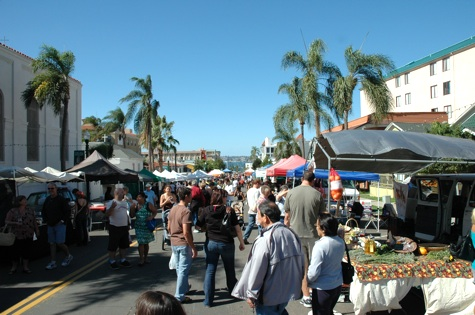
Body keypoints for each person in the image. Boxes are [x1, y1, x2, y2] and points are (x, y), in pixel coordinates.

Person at [232, 201, 304, 315]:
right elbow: (301, 263)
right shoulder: (291, 233)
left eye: (258, 214)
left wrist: (251, 294)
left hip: (269, 295)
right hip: (286, 291)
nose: (256, 217)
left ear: (265, 217)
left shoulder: (265, 239)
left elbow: (257, 269)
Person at [284, 170, 326, 308]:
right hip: (313, 234)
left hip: (296, 234)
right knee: (315, 266)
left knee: (302, 267)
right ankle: (314, 293)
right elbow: (323, 216)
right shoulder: (317, 194)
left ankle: (306, 295)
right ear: (313, 180)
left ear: (302, 178)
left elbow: (287, 217)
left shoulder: (291, 193)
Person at [196, 189, 245, 307]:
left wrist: (206, 229)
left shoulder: (206, 210)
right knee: (229, 269)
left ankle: (208, 300)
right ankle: (233, 291)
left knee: (210, 271)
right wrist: (241, 242)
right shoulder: (229, 210)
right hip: (226, 243)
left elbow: (198, 225)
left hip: (211, 243)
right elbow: (237, 228)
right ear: (222, 198)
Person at [307, 213, 345, 315]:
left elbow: (314, 271)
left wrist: (306, 281)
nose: (316, 228)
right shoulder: (340, 241)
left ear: (323, 229)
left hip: (322, 288)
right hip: (336, 285)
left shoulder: (320, 245)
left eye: (317, 226)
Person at [168, 187, 197, 303]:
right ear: (186, 196)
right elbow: (186, 232)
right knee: (183, 270)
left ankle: (184, 288)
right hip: (183, 243)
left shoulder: (173, 209)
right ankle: (179, 296)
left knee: (180, 268)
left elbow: (169, 227)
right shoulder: (186, 211)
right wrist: (193, 247)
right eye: (190, 195)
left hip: (174, 242)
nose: (191, 197)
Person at [5, 195, 39, 274]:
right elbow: (6, 221)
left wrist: (37, 230)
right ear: (19, 202)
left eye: (25, 200)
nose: (25, 201)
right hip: (16, 234)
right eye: (24, 200)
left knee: (26, 251)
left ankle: (25, 267)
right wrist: (15, 223)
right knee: (15, 252)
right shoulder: (12, 211)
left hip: (28, 233)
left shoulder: (30, 210)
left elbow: (34, 221)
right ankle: (14, 267)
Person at [42, 183, 73, 270]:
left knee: (60, 242)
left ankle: (68, 256)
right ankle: (53, 262)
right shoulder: (48, 199)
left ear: (56, 189)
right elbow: (43, 210)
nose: (50, 190)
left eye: (52, 188)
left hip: (59, 224)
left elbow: (67, 211)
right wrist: (46, 220)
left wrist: (62, 221)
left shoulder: (61, 199)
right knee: (52, 243)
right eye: (49, 189)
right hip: (50, 225)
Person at [105, 187, 136, 269]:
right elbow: (107, 214)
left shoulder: (125, 203)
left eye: (123, 192)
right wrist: (112, 207)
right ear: (116, 193)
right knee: (113, 245)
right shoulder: (111, 202)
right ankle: (112, 260)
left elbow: (131, 213)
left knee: (123, 245)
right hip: (114, 226)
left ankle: (123, 259)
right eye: (122, 192)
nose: (124, 194)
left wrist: (132, 206)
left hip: (124, 227)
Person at [130, 191, 157, 266]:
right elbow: (132, 216)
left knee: (146, 243)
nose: (138, 198)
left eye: (139, 197)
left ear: (143, 197)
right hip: (139, 227)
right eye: (137, 197)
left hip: (147, 226)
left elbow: (155, 211)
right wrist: (132, 208)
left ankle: (146, 257)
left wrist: (151, 217)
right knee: (141, 243)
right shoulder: (136, 205)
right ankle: (141, 259)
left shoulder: (148, 204)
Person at [243, 179, 261, 245]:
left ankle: (245, 237)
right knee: (259, 225)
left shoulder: (249, 190)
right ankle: (260, 239)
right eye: (259, 183)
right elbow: (257, 201)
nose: (260, 185)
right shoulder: (257, 191)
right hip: (256, 210)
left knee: (250, 224)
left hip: (250, 209)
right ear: (256, 183)